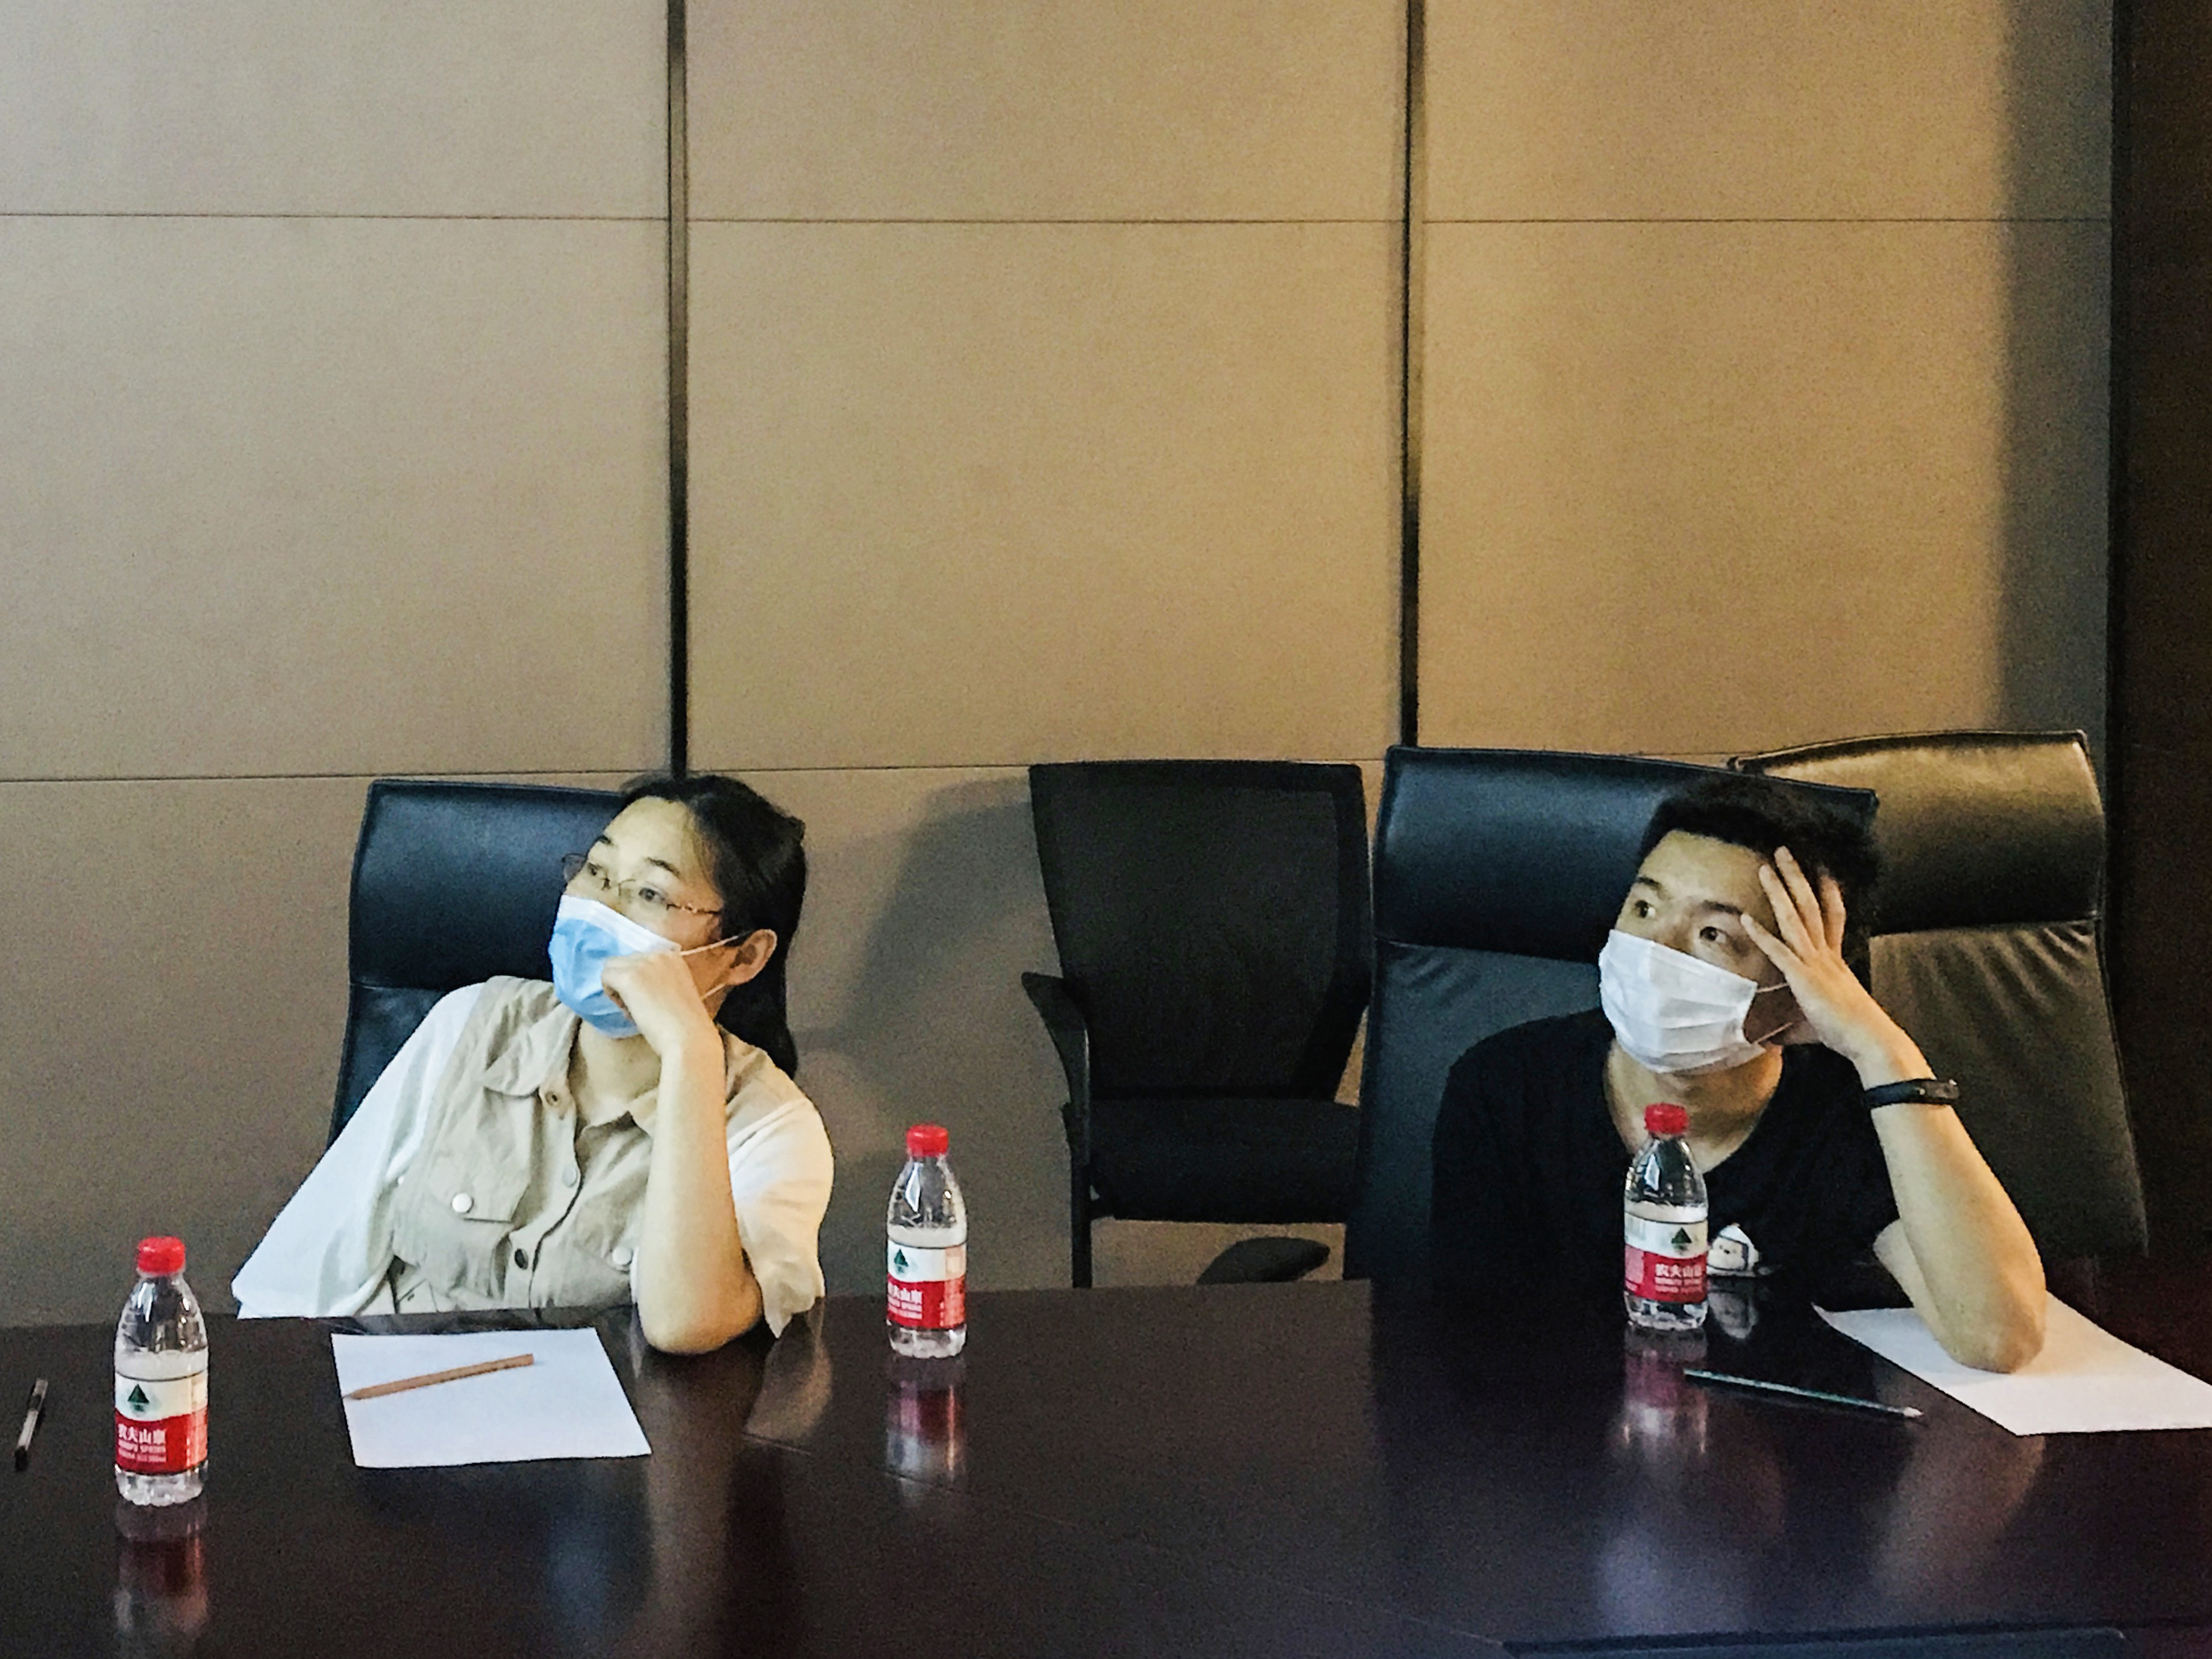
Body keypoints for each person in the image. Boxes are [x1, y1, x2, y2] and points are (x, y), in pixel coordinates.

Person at [1429, 773, 2046, 1372]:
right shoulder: (1504, 1086)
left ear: (1799, 986)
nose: (1656, 949)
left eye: (1712, 933)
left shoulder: (1842, 1114)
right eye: (1643, 906)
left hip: (1786, 1432)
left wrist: (1877, 1046)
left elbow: (1996, 1336)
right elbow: (1467, 1343)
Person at [234, 773, 834, 1353]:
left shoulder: (772, 1127)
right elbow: (302, 1272)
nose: (598, 908)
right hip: (403, 1393)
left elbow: (684, 1325)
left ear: (744, 955)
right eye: (596, 871)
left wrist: (690, 1054)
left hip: (608, 1419)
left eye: (650, 893)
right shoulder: (470, 1021)